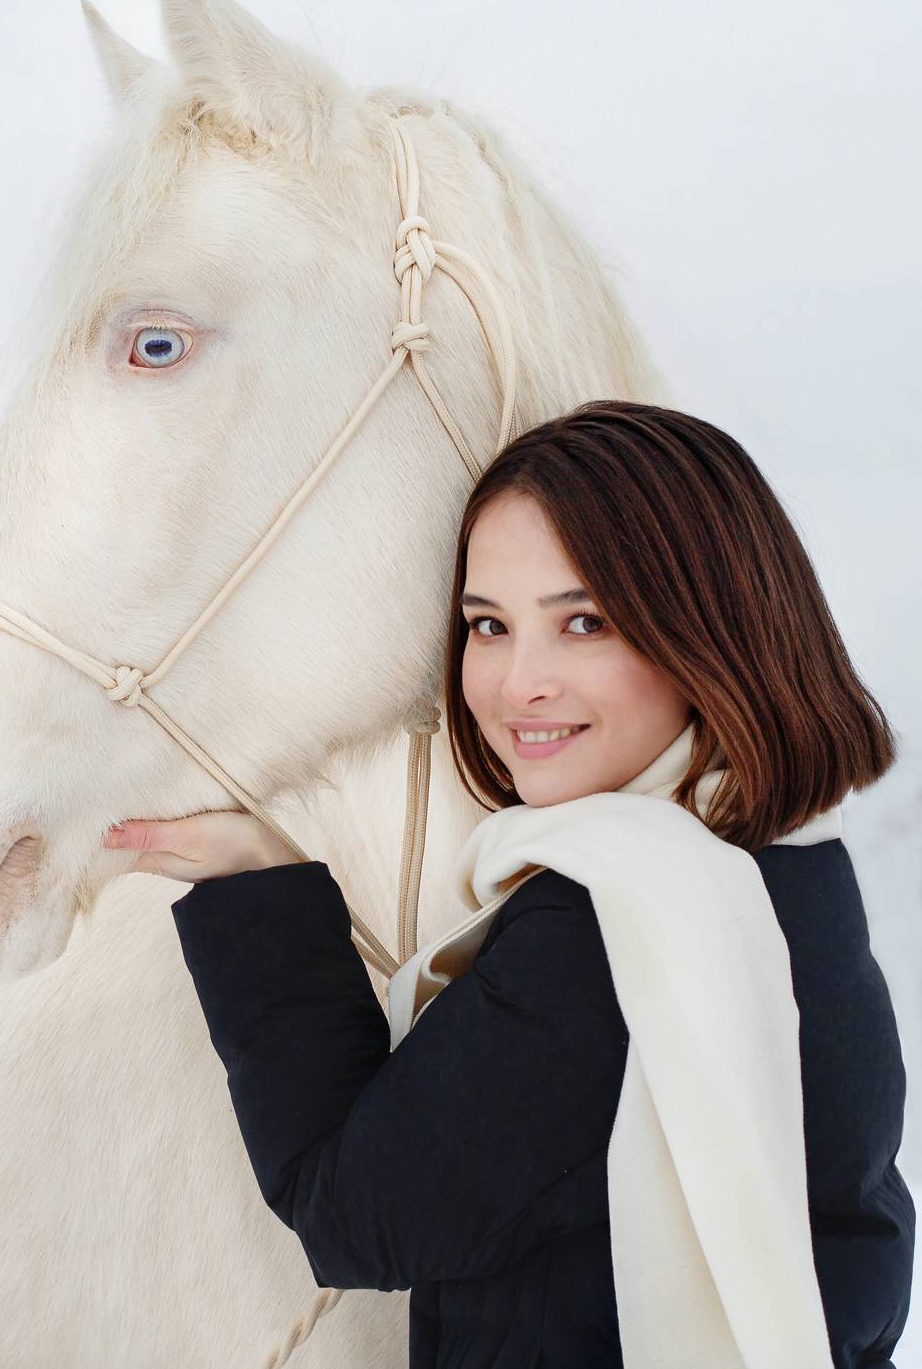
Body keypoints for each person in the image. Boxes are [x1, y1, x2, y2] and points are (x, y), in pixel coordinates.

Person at [102, 399, 915, 1367]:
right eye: (487, 625)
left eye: (584, 622)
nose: (516, 682)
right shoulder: (786, 867)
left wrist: (255, 885)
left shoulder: (620, 921)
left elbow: (357, 1217)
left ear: (711, 628)